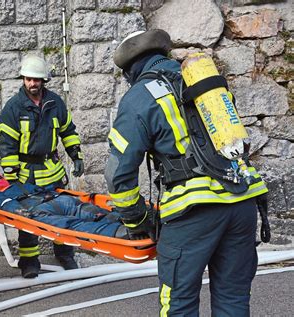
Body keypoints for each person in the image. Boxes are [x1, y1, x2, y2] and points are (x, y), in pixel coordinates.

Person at [105, 29, 269, 316]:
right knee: (233, 298)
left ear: (130, 70)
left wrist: (136, 219)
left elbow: (118, 173)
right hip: (242, 202)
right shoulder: (203, 83)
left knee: (178, 303)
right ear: (163, 54)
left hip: (193, 213)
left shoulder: (138, 97)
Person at [0, 55, 84, 277]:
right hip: (26, 174)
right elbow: (7, 144)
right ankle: (29, 261)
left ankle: (65, 254)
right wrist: (10, 175)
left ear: (44, 80)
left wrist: (76, 156)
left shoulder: (55, 103)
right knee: (27, 218)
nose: (32, 84)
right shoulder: (14, 108)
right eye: (27, 79)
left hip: (51, 170)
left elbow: (68, 131)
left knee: (61, 212)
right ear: (23, 79)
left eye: (36, 80)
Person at [0, 171, 129, 239]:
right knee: (90, 212)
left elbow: (5, 203)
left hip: (38, 210)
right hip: (58, 199)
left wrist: (19, 212)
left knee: (72, 226)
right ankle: (128, 220)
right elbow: (45, 188)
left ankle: (118, 231)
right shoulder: (21, 184)